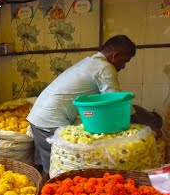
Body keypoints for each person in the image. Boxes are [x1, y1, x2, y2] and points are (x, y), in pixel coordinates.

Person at [26, 34, 137, 182]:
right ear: (115, 55)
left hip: (37, 117)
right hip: (50, 122)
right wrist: (139, 125)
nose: (123, 67)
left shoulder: (89, 62)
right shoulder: (105, 68)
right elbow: (116, 101)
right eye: (124, 62)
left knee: (44, 170)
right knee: (56, 172)